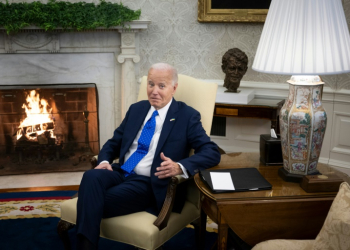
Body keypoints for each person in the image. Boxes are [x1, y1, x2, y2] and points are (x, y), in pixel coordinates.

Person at [75, 63, 221, 249]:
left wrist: (180, 166)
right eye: (151, 84)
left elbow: (211, 152)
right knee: (91, 176)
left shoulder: (187, 116)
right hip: (122, 172)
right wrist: (104, 161)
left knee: (90, 197)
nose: (154, 91)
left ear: (174, 88)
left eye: (161, 86)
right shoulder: (136, 109)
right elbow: (114, 143)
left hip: (150, 183)